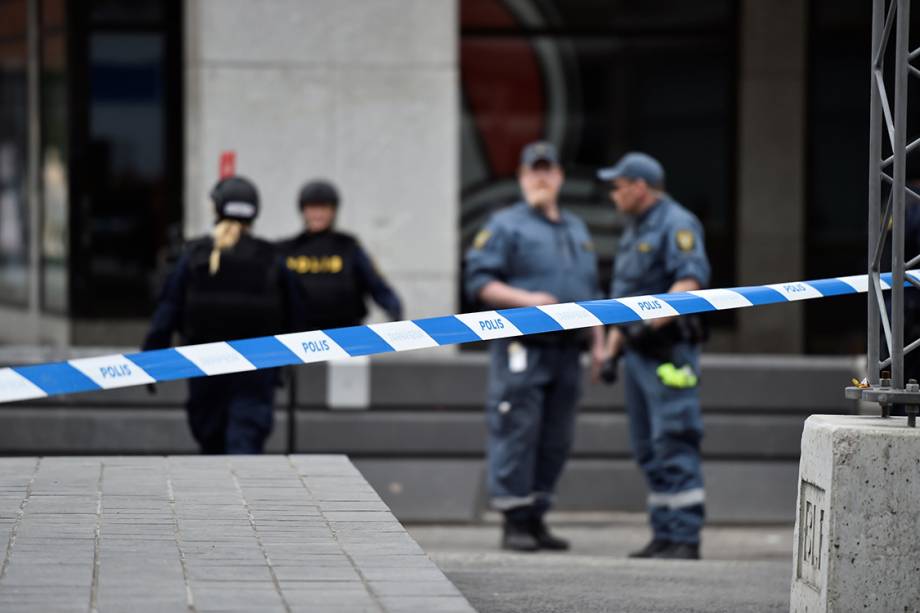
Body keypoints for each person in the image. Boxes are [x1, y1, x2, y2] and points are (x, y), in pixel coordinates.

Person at [464, 141, 606, 552]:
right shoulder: (504, 225)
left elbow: (590, 290)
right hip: (523, 347)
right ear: (522, 177)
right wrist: (529, 301)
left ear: (560, 176)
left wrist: (598, 341)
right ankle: (515, 521)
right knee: (518, 430)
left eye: (548, 171)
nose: (541, 178)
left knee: (556, 437)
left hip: (568, 350)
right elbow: (479, 283)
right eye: (533, 172)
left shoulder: (576, 228)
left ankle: (538, 516)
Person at [597, 152, 711, 560]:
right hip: (637, 355)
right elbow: (621, 300)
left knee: (674, 436)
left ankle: (685, 535)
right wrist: (612, 351)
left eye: (618, 186)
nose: (613, 194)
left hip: (668, 353)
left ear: (639, 187)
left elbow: (689, 281)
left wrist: (648, 326)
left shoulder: (676, 223)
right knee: (647, 445)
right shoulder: (634, 229)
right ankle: (665, 531)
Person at [143, 175, 304, 454]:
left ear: (217, 209)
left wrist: (151, 360)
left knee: (212, 451)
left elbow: (168, 310)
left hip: (206, 371)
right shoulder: (272, 258)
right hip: (256, 375)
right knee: (245, 451)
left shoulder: (194, 256)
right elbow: (296, 314)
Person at [278, 179, 402, 331]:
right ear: (303, 210)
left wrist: (394, 310)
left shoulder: (349, 247)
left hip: (347, 338)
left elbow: (375, 283)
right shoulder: (287, 250)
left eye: (323, 208)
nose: (318, 214)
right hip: (299, 341)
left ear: (333, 211)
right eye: (312, 208)